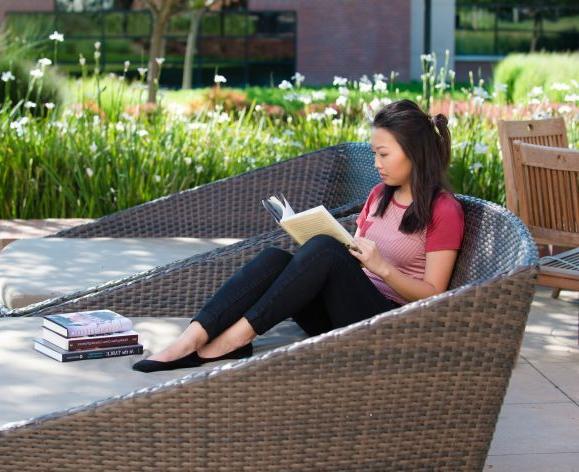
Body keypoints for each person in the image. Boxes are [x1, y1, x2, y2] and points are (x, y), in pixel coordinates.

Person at [132, 99, 465, 373]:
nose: (376, 162)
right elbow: (351, 258)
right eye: (374, 153)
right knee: (276, 258)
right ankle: (192, 337)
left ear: (414, 152)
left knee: (324, 249)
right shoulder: (379, 195)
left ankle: (232, 341)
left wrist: (382, 268)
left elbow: (434, 295)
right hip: (343, 311)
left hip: (386, 326)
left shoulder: (444, 210)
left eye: (384, 153)